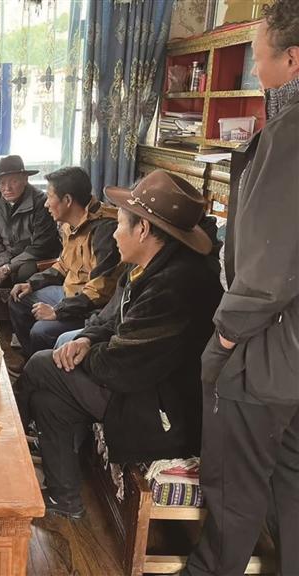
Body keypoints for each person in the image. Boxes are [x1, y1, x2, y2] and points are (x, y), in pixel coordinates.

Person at [14, 170, 223, 519]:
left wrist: (84, 353)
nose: (114, 232)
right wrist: (85, 338)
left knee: (40, 364)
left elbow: (123, 367)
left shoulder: (179, 284)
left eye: (121, 224)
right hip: (137, 387)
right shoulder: (146, 265)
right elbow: (108, 319)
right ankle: (65, 501)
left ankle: (8, 448)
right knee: (48, 401)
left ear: (143, 230)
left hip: (164, 412)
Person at [184, 3, 299, 574]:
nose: (255, 68)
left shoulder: (289, 135)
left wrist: (226, 338)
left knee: (234, 486)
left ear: (292, 60)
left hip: (267, 350)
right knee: (292, 483)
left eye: (257, 57)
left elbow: (268, 265)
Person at [8, 167, 122, 357]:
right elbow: (62, 265)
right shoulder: (70, 224)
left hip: (91, 307)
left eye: (49, 196)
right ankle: (30, 360)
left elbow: (99, 291)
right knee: (17, 298)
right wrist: (31, 284)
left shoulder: (105, 230)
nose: (46, 204)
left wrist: (57, 312)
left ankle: (44, 367)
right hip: (69, 293)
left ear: (67, 200)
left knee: (41, 331)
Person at [0, 155, 61, 313]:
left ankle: (21, 320)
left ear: (25, 179)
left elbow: (40, 246)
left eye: (13, 181)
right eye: (2, 183)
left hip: (32, 257)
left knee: (24, 272)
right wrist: (3, 262)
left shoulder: (41, 202)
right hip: (5, 256)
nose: (7, 188)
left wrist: (9, 267)